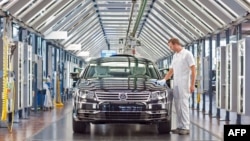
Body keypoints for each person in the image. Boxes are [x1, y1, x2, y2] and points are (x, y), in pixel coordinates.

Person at [157, 38, 196, 135]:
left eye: (170, 46)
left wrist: (192, 84)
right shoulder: (175, 56)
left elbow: (194, 70)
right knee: (177, 105)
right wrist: (165, 79)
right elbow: (171, 70)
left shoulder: (187, 54)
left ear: (175, 44)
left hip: (184, 83)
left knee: (183, 105)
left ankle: (186, 127)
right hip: (176, 83)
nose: (170, 48)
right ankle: (179, 127)